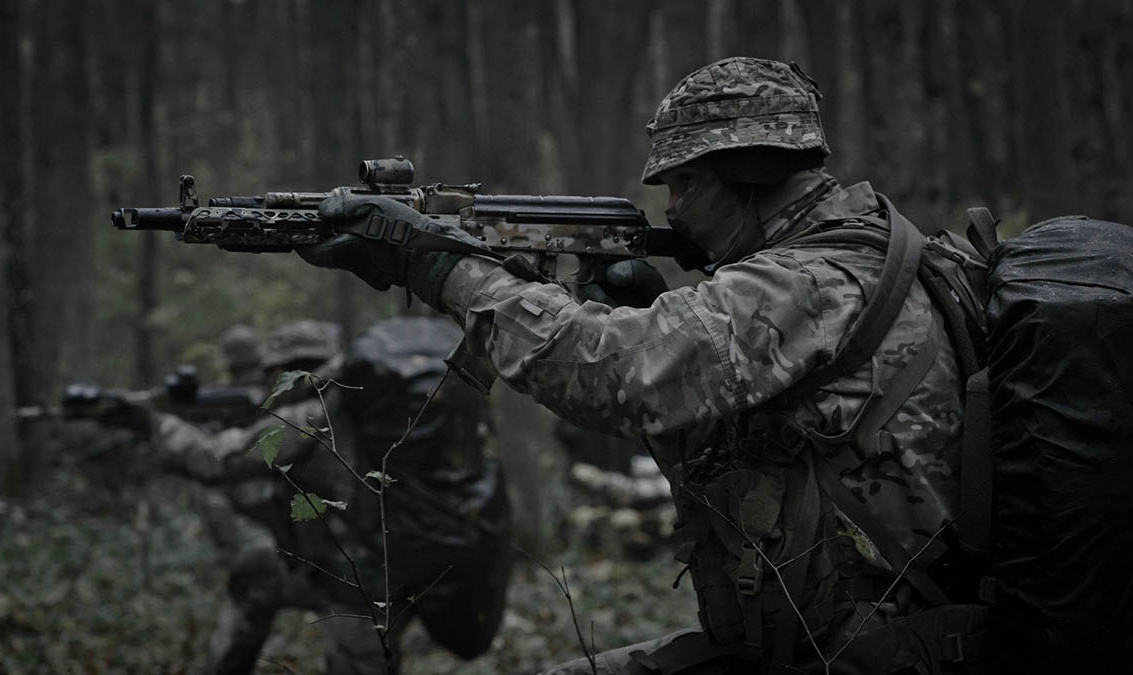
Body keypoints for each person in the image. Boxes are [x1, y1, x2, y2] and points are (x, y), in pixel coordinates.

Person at [297, 57, 987, 673]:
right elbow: (743, 461)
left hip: (876, 650)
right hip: (827, 638)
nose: (672, 207)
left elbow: (615, 376)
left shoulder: (810, 282)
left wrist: (445, 270)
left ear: (748, 170)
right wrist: (654, 308)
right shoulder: (845, 258)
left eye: (684, 182)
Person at [147, 318, 511, 675]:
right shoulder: (377, 413)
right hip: (418, 562)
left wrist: (153, 423)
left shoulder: (313, 418)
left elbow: (217, 460)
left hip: (362, 582)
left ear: (293, 372)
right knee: (256, 571)